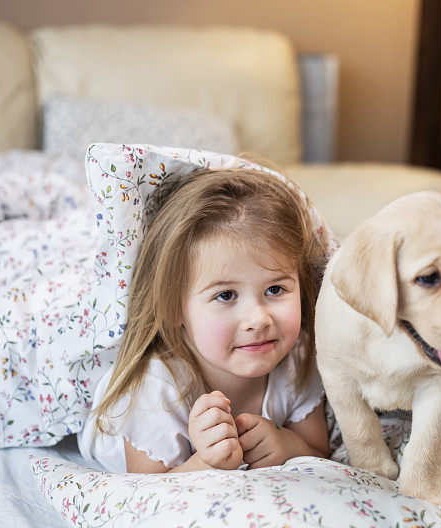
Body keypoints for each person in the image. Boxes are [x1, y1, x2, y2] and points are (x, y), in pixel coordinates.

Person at [78, 167, 331, 473]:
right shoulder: (156, 388)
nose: (258, 319)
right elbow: (143, 492)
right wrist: (205, 463)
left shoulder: (296, 358)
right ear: (174, 310)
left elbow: (318, 450)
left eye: (275, 289)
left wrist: (288, 445)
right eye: (226, 296)